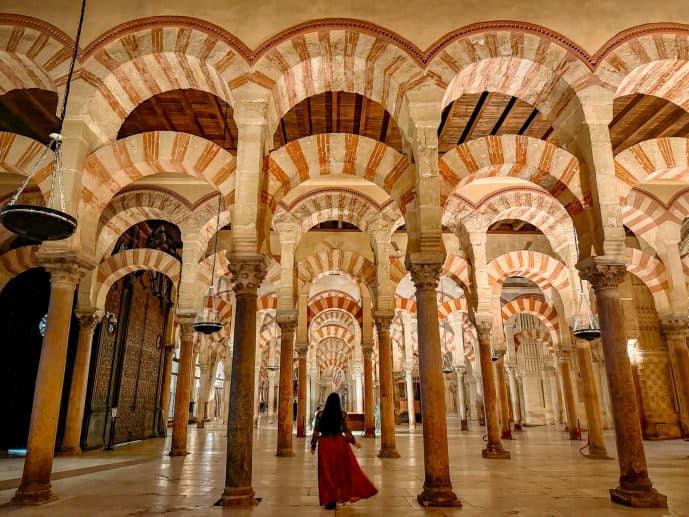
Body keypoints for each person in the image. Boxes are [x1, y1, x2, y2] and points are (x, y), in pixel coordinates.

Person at [310, 393, 377, 510]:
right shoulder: (343, 414)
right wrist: (353, 441)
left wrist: (313, 445)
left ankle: (330, 499)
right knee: (340, 471)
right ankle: (340, 496)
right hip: (339, 443)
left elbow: (316, 431)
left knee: (326, 472)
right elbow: (347, 430)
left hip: (325, 444)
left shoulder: (320, 415)